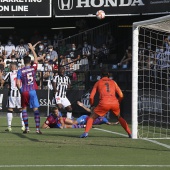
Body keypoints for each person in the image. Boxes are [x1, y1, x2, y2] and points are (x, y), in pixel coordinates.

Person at [80, 68, 132, 138]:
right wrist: (118, 101)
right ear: (108, 74)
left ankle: (86, 133)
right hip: (114, 102)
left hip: (104, 103)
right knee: (119, 117)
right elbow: (121, 95)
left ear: (101, 75)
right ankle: (130, 133)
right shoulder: (113, 82)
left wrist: (92, 105)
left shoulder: (98, 82)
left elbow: (91, 97)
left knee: (92, 117)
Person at [16, 43, 42, 134]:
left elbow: (17, 83)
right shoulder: (32, 68)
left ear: (23, 61)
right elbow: (36, 59)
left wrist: (20, 91)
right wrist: (32, 49)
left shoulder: (20, 70)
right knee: (35, 109)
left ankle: (27, 128)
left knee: (24, 109)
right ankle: (37, 129)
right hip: (32, 90)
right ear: (30, 62)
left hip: (24, 91)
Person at [2, 63, 25, 132]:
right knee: (21, 109)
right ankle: (23, 126)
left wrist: (1, 77)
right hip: (20, 93)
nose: (9, 68)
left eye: (10, 67)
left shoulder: (9, 73)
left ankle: (9, 127)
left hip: (12, 93)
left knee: (10, 109)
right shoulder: (21, 72)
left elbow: (3, 81)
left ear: (12, 67)